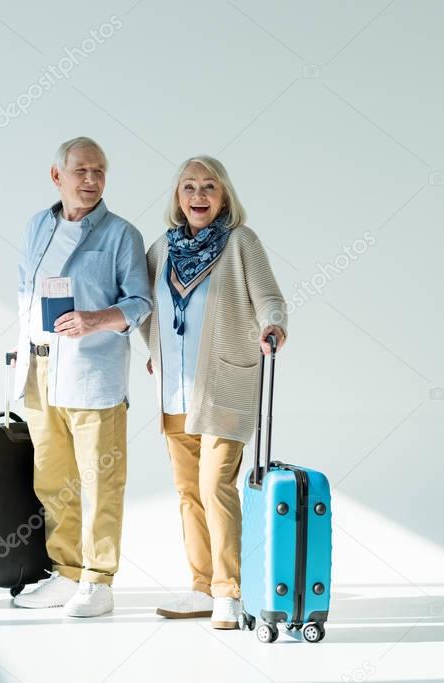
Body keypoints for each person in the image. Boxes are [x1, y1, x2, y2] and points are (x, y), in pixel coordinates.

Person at [140, 155, 287, 629]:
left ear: (224, 196)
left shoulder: (241, 242)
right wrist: (155, 351)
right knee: (188, 492)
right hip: (173, 392)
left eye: (208, 187)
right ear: (177, 197)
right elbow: (147, 309)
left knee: (214, 485)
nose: (198, 196)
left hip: (224, 382)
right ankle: (201, 587)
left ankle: (230, 590)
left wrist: (273, 327)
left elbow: (269, 297)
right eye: (189, 187)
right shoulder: (161, 248)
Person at [10, 136, 151, 617]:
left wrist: (94, 319)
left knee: (100, 480)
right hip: (40, 367)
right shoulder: (37, 227)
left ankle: (99, 580)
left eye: (99, 172)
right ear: (58, 176)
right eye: (81, 172)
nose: (90, 181)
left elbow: (140, 302)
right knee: (52, 479)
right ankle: (66, 572)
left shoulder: (121, 234)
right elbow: (26, 294)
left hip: (93, 370)